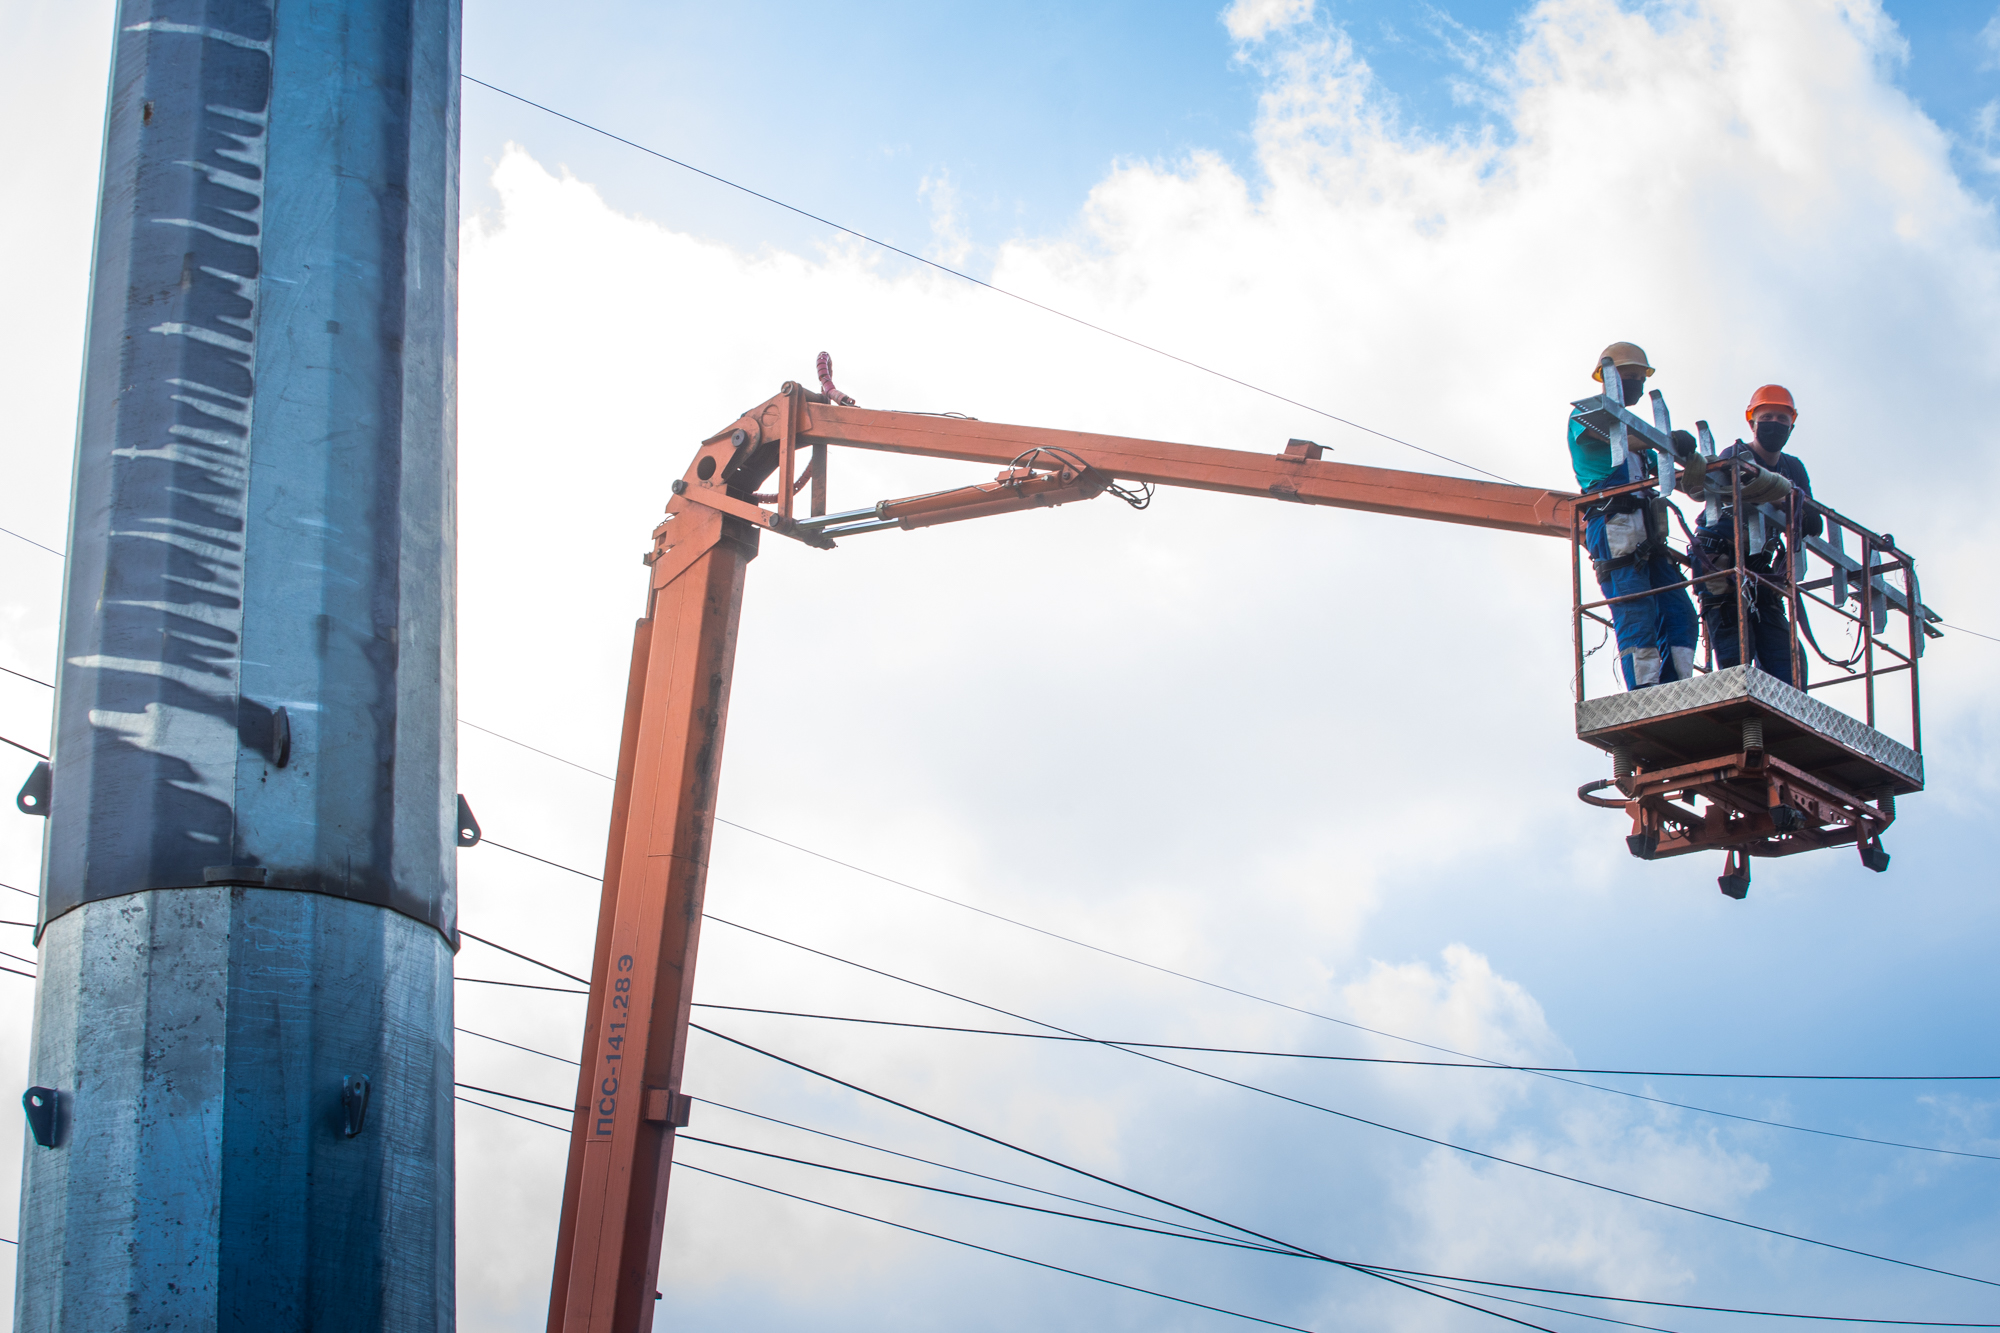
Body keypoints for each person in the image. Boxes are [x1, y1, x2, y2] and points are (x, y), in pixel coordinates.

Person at [1568, 342, 1699, 690]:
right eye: (1631, 377)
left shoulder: (1641, 447)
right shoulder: (1586, 415)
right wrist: (1665, 440)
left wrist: (1706, 472)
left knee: (1679, 613)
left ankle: (1678, 687)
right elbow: (1614, 436)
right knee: (1636, 611)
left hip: (1648, 534)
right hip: (1615, 525)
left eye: (1641, 378)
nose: (1637, 384)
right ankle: (1645, 691)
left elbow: (1674, 476)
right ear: (1609, 378)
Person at [1691, 384, 1821, 688]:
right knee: (1736, 654)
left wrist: (1785, 502)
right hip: (1721, 562)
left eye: (1782, 418)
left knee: (1787, 659)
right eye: (1768, 417)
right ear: (1752, 422)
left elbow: (1813, 523)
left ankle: (1785, 715)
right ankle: (1742, 716)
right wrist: (1783, 501)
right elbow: (1736, 487)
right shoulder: (1736, 455)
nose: (1775, 424)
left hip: (1760, 569)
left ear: (1791, 425)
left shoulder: (1793, 467)